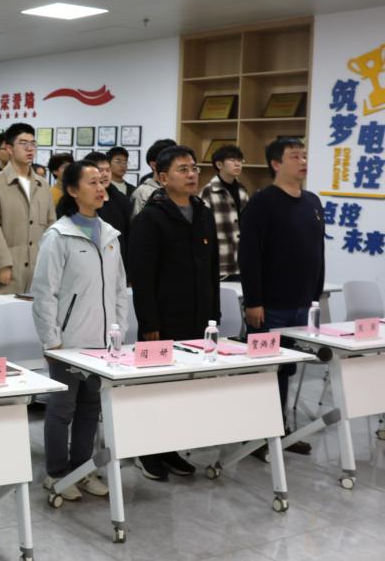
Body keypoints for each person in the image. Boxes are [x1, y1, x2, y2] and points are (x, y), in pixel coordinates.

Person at [31, 160, 127, 501]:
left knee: (90, 408)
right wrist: (51, 340)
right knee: (62, 409)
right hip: (68, 343)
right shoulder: (59, 236)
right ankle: (57, 474)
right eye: (92, 183)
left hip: (102, 343)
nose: (101, 188)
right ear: (72, 190)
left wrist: (118, 333)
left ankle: (83, 469)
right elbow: (44, 292)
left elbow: (119, 290)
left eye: (102, 182)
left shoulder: (110, 235)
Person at [129, 145, 219, 481]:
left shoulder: (203, 213)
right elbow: (142, 276)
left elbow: (212, 269)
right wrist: (149, 322)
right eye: (183, 169)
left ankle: (170, 449)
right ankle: (145, 451)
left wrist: (213, 315)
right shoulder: (150, 218)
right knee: (155, 389)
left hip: (197, 319)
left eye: (194, 168)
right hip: (163, 320)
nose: (192, 174)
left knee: (182, 389)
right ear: (163, 178)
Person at [239, 138, 322, 457]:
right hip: (270, 305)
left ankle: (280, 431)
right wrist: (254, 301)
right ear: (276, 164)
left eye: (304, 155)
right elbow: (249, 256)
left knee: (287, 369)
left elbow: (318, 252)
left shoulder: (312, 201)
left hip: (301, 303)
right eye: (294, 156)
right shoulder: (262, 203)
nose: (303, 161)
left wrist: (314, 297)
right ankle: (256, 436)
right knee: (266, 370)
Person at [0, 123, 57, 294]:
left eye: (33, 144)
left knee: (36, 309)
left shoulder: (42, 185)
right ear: (9, 148)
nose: (30, 148)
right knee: (3, 309)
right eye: (23, 143)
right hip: (9, 267)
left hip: (39, 267)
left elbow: (51, 224)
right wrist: (2, 264)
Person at [200, 144, 249, 280]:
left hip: (241, 259)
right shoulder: (208, 191)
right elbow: (202, 227)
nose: (238, 164)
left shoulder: (242, 190)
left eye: (240, 160)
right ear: (219, 164)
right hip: (220, 260)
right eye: (232, 160)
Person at [83, 151, 131, 270]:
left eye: (108, 170)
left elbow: (129, 235)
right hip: (87, 264)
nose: (105, 174)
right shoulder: (81, 201)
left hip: (118, 263)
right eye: (100, 170)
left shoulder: (121, 200)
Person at [131, 138, 177, 217]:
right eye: (170, 161)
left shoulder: (180, 189)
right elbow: (137, 221)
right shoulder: (142, 193)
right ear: (154, 165)